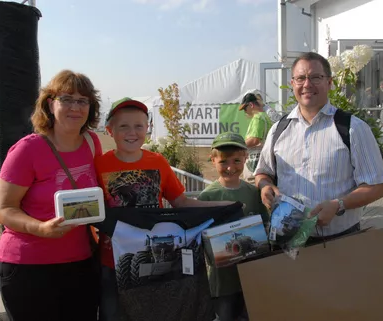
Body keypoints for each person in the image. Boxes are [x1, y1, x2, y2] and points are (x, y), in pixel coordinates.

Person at [94, 97, 234, 321]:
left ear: (147, 129)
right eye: (124, 126)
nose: (132, 132)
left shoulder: (158, 162)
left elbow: (182, 203)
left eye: (139, 126)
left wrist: (224, 206)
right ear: (110, 130)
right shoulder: (99, 165)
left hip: (157, 262)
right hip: (112, 263)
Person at [0, 70, 102, 321]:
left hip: (80, 263)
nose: (75, 107)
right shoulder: (28, 149)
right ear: (50, 104)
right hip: (29, 267)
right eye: (67, 99)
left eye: (82, 100)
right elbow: (4, 209)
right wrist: (41, 228)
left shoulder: (92, 143)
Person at [254, 52, 383, 243]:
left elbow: (378, 186)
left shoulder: (353, 128)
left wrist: (339, 204)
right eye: (300, 78)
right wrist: (265, 186)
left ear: (329, 82)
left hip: (339, 242)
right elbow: (263, 172)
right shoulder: (278, 130)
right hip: (287, 241)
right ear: (292, 84)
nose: (307, 84)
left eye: (315, 77)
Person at [197, 131, 268, 321]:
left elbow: (265, 226)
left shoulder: (254, 193)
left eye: (237, 161)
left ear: (246, 157)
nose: (230, 167)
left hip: (252, 277)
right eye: (223, 162)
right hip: (223, 282)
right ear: (213, 161)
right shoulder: (207, 197)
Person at [238, 93, 272, 183]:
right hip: (264, 158)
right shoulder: (266, 117)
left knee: (252, 184)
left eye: (245, 108)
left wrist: (238, 146)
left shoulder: (257, 118)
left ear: (251, 105)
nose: (245, 111)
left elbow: (254, 140)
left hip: (255, 160)